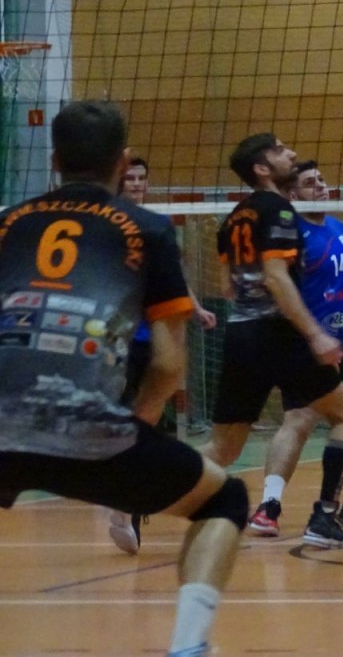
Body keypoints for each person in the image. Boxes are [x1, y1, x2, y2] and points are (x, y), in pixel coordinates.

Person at [0, 101, 246, 657]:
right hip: (82, 424)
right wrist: (133, 429)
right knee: (225, 499)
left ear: (55, 159)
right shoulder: (149, 229)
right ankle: (188, 647)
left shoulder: (8, 224)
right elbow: (169, 363)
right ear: (124, 160)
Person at [200, 133, 343, 548]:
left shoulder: (234, 217)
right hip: (280, 334)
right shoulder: (280, 211)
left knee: (224, 447)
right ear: (262, 168)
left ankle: (137, 494)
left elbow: (228, 287)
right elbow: (275, 278)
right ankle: (324, 516)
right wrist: (315, 334)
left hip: (241, 335)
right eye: (279, 150)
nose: (291, 153)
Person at [247, 160, 343, 535]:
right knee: (299, 419)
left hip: (339, 343)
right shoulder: (290, 233)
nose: (321, 186)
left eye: (322, 179)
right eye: (310, 182)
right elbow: (276, 284)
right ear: (292, 193)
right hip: (305, 343)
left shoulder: (338, 228)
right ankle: (268, 506)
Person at [108, 156, 219, 554]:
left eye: (142, 178)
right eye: (130, 178)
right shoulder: (107, 224)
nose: (137, 184)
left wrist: (196, 308)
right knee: (124, 420)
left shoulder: (156, 225)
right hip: (114, 336)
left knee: (147, 420)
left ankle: (127, 505)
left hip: (151, 335)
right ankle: (122, 498)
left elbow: (172, 278)